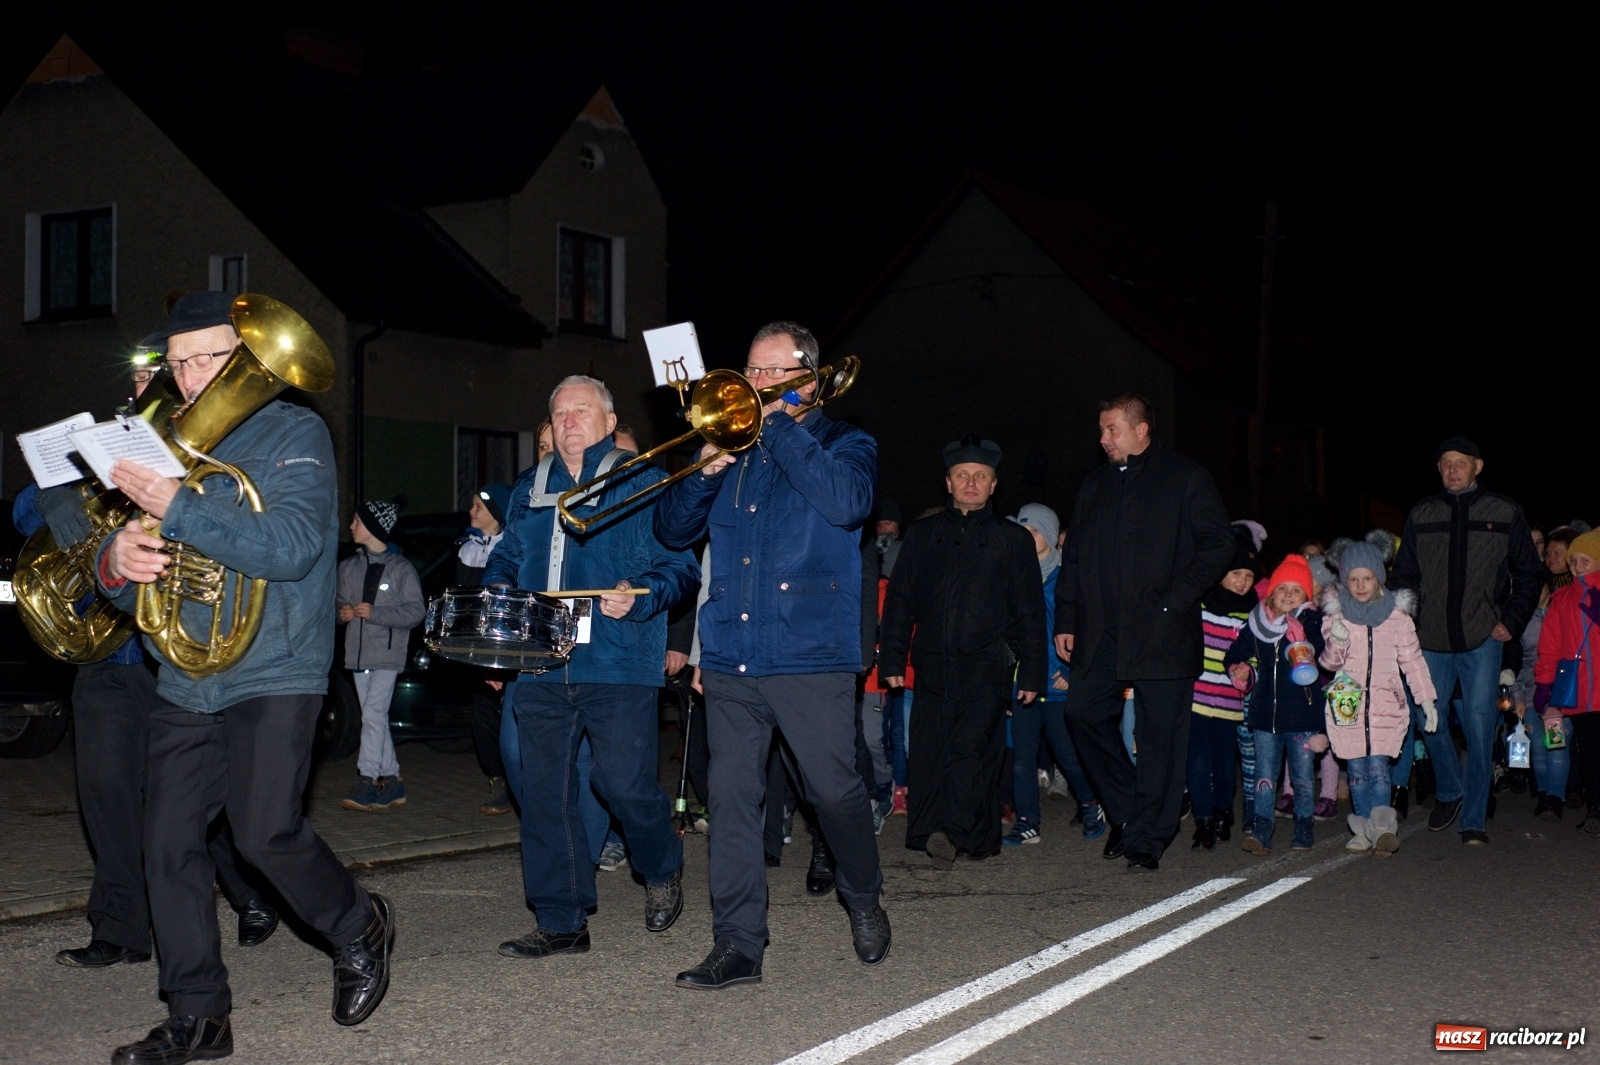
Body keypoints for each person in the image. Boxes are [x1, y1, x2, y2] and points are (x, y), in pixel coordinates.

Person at [97, 291, 393, 1062]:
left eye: (209, 358)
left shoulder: (293, 431)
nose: (191, 376)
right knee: (165, 843)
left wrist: (180, 507)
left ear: (245, 356)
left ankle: (357, 922)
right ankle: (199, 1015)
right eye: (180, 361)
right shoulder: (163, 443)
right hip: (186, 677)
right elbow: (115, 552)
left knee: (265, 832)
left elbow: (294, 544)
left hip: (275, 665)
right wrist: (115, 564)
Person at [12, 352, 280, 974]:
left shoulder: (211, 443)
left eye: (158, 369)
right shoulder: (101, 445)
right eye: (137, 374)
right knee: (106, 793)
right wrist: (61, 491)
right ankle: (121, 930)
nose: (146, 381)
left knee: (184, 797)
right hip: (108, 652)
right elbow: (25, 514)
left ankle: (250, 891)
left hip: (172, 653)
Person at [654, 320, 889, 989]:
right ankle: (738, 944)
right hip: (732, 652)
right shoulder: (732, 449)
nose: (751, 385)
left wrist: (780, 426)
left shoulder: (845, 441)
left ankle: (863, 892)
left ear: (806, 380)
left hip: (810, 651)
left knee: (833, 790)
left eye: (768, 373)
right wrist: (706, 467)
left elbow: (847, 504)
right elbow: (671, 528)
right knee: (730, 798)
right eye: (748, 371)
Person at [485, 375, 696, 960]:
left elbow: (681, 569)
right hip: (542, 662)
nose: (569, 421)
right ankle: (561, 920)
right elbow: (505, 558)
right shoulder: (530, 486)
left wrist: (644, 594)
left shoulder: (644, 480)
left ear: (608, 422)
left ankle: (661, 863)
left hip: (619, 658)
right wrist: (501, 602)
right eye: (559, 413)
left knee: (620, 783)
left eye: (582, 410)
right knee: (544, 791)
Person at [1052, 394, 1234, 870]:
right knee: (1082, 713)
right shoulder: (1094, 485)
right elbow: (1073, 559)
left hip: (1162, 628)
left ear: (1141, 430)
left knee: (1159, 736)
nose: (1103, 439)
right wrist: (1067, 618)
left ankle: (1149, 837)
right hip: (1102, 630)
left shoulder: (1185, 478)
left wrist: (1176, 597)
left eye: (1111, 429)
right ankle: (1133, 812)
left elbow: (1219, 543)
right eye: (1102, 430)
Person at [877, 438, 1044, 863]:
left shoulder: (1013, 540)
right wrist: (893, 657)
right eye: (963, 476)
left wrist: (1032, 673)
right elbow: (900, 600)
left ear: (993, 485)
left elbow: (1029, 610)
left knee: (972, 752)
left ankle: (953, 832)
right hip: (932, 664)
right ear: (948, 482)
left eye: (981, 476)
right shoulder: (922, 536)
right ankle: (955, 834)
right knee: (931, 753)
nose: (971, 483)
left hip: (987, 666)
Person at [1388, 435, 1542, 845]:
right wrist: (1404, 621)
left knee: (1478, 728)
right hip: (1431, 640)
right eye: (1444, 463)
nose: (1452, 469)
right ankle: (1452, 789)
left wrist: (1510, 619)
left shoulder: (1504, 511)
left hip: (1481, 637)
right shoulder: (1423, 513)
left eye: (1460, 462)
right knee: (1427, 720)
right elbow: (1404, 575)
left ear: (1478, 466)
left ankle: (1473, 818)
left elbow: (1529, 573)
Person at [1318, 540, 1439, 855]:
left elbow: (1412, 661)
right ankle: (1363, 828)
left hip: (1387, 703)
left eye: (1367, 578)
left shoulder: (1397, 617)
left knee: (1379, 769)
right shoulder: (1336, 614)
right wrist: (1338, 640)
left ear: (1379, 578)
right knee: (1356, 770)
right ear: (1344, 578)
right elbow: (1328, 664)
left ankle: (1382, 826)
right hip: (1348, 705)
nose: (1360, 585)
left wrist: (1426, 699)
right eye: (1354, 578)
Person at [1001, 503, 1103, 846]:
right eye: (1022, 531)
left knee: (1068, 754)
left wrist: (1072, 672)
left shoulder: (1067, 577)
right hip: (1025, 682)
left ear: (1047, 533)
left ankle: (1091, 804)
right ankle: (1028, 821)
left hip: (1059, 683)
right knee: (1022, 758)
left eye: (1032, 531)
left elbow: (1085, 629)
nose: (1026, 538)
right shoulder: (1015, 574)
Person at [1226, 555, 1326, 855]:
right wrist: (1238, 670)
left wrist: (1302, 639)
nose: (1288, 595)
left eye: (1297, 590)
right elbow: (1234, 653)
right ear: (1272, 591)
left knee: (1303, 778)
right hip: (1264, 716)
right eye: (1283, 587)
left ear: (1306, 596)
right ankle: (1261, 829)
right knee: (1265, 776)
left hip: (1302, 716)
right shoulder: (1258, 623)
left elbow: (1321, 654)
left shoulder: (1311, 621)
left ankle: (1304, 825)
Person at [337, 500, 425, 812]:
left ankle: (367, 779)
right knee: (374, 718)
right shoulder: (348, 568)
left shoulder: (401, 569)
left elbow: (416, 611)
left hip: (387, 655)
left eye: (356, 521)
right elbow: (335, 606)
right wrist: (342, 613)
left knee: (372, 716)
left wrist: (377, 613)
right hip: (358, 655)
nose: (350, 527)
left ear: (373, 527)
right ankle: (394, 781)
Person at [1186, 526, 1261, 849]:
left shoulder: (1253, 615)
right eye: (1235, 573)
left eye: (1248, 574)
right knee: (1197, 761)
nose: (1242, 580)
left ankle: (1222, 812)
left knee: (1224, 762)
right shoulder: (1201, 606)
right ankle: (1202, 819)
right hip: (1198, 700)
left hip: (1230, 702)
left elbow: (1257, 658)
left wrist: (1248, 672)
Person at [1533, 530, 1600, 833]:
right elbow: (1550, 647)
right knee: (1587, 751)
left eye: (1585, 561)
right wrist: (1545, 684)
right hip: (1581, 691)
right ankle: (1596, 807)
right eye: (1574, 561)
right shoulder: (1561, 600)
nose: (1577, 567)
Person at [456, 483, 515, 815]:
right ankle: (498, 778)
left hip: (503, 642)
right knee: (482, 715)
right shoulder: (467, 549)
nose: (471, 512)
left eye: (478, 507)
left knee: (508, 716)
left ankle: (514, 781)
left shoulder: (508, 548)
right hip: (478, 645)